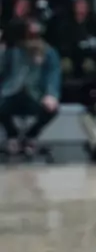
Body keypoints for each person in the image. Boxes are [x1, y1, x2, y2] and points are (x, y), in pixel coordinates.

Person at [1, 20, 62, 157]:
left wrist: (51, 94)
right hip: (10, 92)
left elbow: (53, 73)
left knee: (51, 108)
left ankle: (31, 136)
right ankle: (12, 135)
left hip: (35, 94)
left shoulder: (48, 52)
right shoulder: (11, 49)